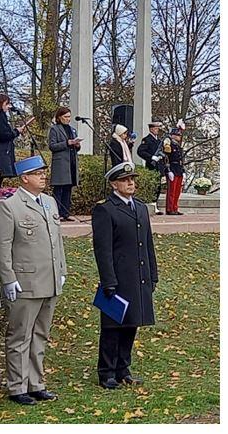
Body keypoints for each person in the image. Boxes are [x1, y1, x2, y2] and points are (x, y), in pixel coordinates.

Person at [0, 155, 67, 406]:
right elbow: (2, 247)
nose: (43, 177)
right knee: (20, 336)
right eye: (37, 173)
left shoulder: (49, 202)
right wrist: (8, 279)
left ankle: (36, 383)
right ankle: (17, 385)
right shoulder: (9, 206)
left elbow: (57, 240)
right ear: (24, 178)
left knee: (41, 335)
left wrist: (62, 269)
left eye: (43, 173)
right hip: (25, 282)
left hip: (50, 279)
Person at [91, 162, 158, 389]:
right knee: (113, 325)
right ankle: (106, 372)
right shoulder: (105, 209)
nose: (131, 183)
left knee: (132, 323)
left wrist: (152, 274)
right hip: (119, 277)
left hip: (138, 275)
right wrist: (108, 280)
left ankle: (123, 369)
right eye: (125, 180)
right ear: (113, 184)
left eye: (132, 179)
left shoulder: (139, 207)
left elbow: (147, 244)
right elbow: (103, 249)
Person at [0, 94, 28, 189]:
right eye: (7, 104)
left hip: (0, 154)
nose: (9, 106)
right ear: (1, 104)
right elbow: (3, 135)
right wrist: (16, 132)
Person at [47, 107, 81, 221]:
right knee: (59, 189)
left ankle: (66, 213)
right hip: (61, 163)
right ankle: (56, 213)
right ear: (59, 117)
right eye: (65, 117)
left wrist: (77, 145)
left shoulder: (72, 129)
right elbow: (52, 146)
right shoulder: (54, 129)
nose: (68, 119)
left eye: (69, 117)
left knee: (68, 188)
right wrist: (67, 143)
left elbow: (76, 147)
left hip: (71, 161)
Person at [136, 121, 167, 214]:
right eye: (156, 128)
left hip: (158, 166)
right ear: (151, 129)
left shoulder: (159, 140)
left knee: (158, 186)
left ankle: (155, 204)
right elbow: (140, 151)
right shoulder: (147, 139)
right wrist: (151, 157)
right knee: (153, 186)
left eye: (158, 128)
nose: (157, 130)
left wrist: (161, 156)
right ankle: (153, 204)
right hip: (151, 166)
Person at [163, 126, 185, 215]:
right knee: (171, 191)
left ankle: (175, 208)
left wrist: (183, 171)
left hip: (178, 169)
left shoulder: (178, 146)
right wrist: (168, 170)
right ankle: (170, 208)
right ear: (173, 136)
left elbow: (181, 160)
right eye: (177, 135)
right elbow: (166, 158)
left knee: (177, 191)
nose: (179, 136)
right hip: (172, 168)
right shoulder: (169, 145)